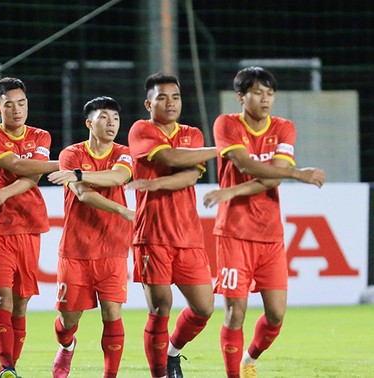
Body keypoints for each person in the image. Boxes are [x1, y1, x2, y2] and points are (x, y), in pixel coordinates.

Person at [203, 66, 325, 378]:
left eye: (270, 93)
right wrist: (298, 174)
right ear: (241, 96)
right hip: (233, 232)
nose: (266, 99)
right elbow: (244, 162)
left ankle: (249, 358)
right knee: (235, 312)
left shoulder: (284, 127)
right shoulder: (226, 124)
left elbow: (271, 179)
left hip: (270, 234)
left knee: (276, 314)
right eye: (258, 92)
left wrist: (232, 189)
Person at [126, 72, 217, 378]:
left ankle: (173, 352)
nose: (170, 103)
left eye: (175, 97)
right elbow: (170, 155)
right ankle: (159, 374)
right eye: (162, 97)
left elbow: (190, 174)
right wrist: (223, 150)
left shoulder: (192, 133)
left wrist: (157, 182)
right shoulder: (141, 129)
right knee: (160, 308)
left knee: (204, 308)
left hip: (188, 234)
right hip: (152, 234)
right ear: (148, 103)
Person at [0, 77, 59, 378]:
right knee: (1, 298)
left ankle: (9, 366)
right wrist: (67, 165)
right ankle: (7, 368)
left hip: (28, 226)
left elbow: (31, 177)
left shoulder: (41, 135)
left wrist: (6, 193)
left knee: (21, 305)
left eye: (21, 103)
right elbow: (22, 167)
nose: (16, 110)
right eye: (9, 105)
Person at [46, 96, 134, 378]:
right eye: (104, 117)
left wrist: (79, 175)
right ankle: (67, 346)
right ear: (89, 122)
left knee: (113, 313)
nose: (111, 124)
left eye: (116, 119)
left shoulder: (124, 152)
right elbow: (83, 193)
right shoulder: (70, 155)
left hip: (113, 247)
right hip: (76, 250)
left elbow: (119, 177)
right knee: (68, 320)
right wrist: (122, 208)